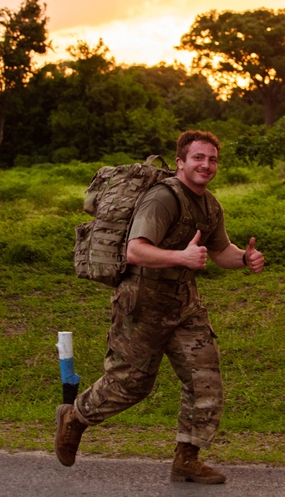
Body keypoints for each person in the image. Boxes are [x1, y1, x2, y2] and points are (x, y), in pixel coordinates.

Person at [54, 130, 264, 484]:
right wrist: (179, 256)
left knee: (204, 380)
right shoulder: (162, 199)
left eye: (212, 159)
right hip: (142, 304)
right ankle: (74, 416)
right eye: (198, 158)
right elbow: (135, 250)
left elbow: (220, 251)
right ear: (181, 161)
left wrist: (245, 258)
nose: (206, 165)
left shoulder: (210, 204)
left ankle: (187, 459)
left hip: (184, 306)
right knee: (130, 385)